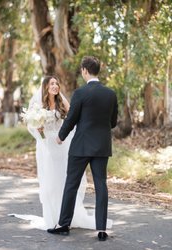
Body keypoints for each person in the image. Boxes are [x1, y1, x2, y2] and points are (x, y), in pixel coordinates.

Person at [10, 76, 112, 231]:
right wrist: (40, 132)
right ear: (45, 87)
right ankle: (53, 218)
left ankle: (68, 217)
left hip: (63, 144)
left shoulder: (61, 103)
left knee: (66, 181)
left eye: (57, 83)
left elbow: (73, 116)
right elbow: (34, 128)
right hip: (47, 146)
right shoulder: (38, 106)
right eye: (52, 83)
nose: (55, 86)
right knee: (50, 183)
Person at [47, 56, 118, 241]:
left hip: (80, 146)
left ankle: (63, 224)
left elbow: (71, 118)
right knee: (101, 185)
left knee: (71, 183)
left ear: (85, 70)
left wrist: (61, 136)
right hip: (101, 146)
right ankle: (101, 229)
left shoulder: (80, 93)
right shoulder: (111, 94)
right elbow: (113, 122)